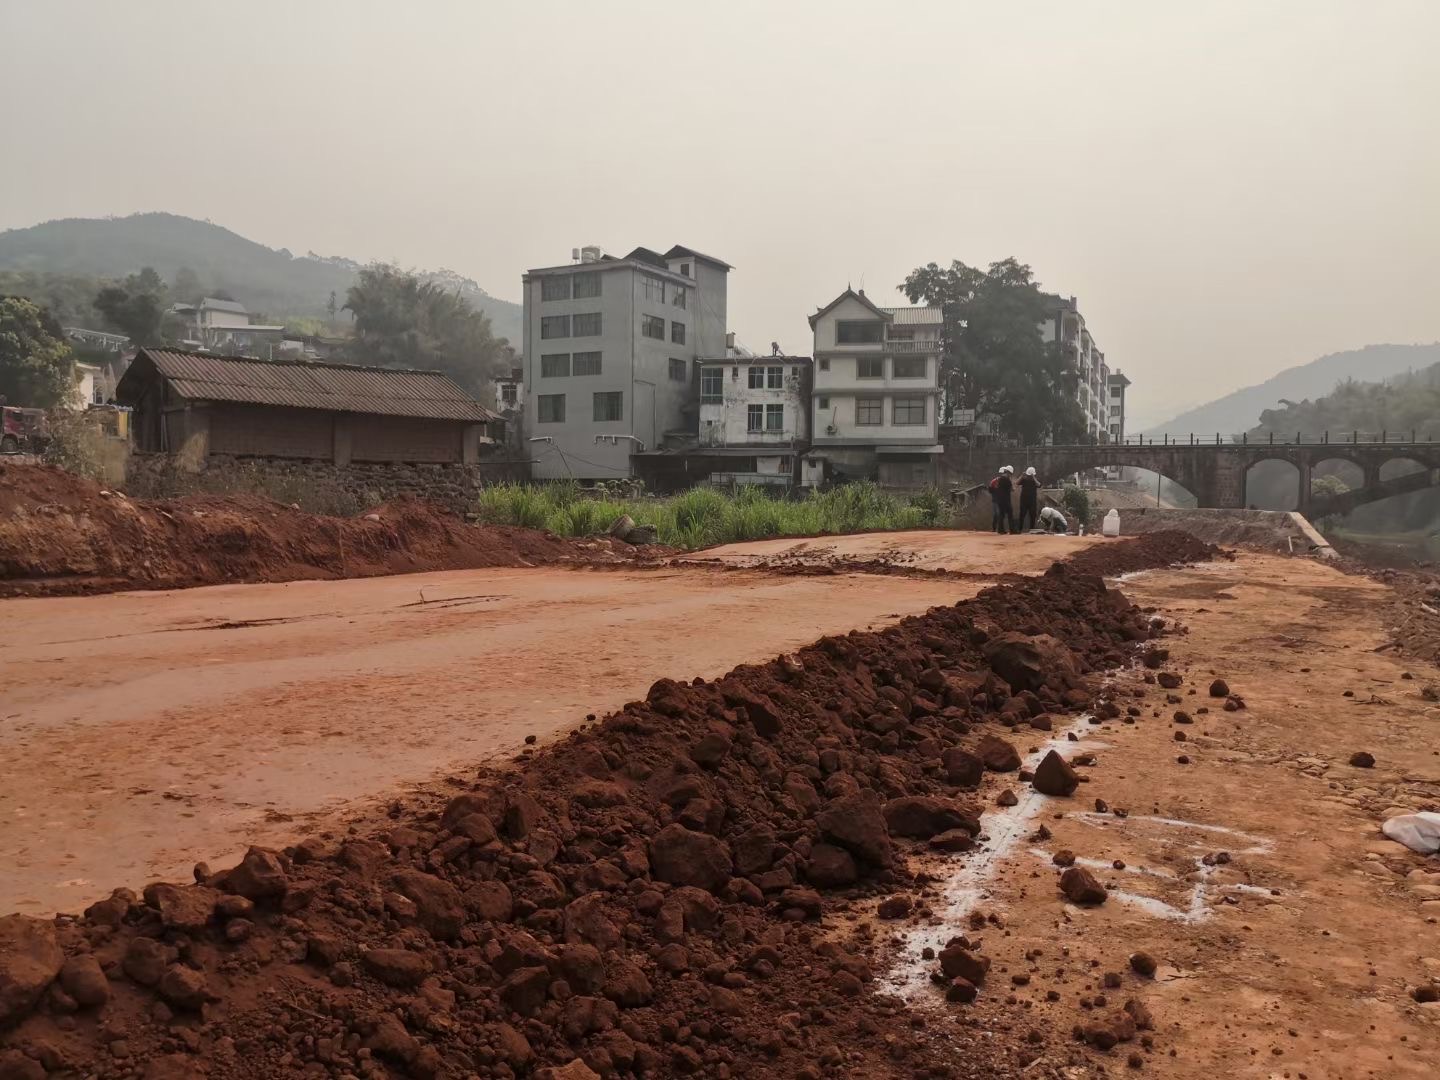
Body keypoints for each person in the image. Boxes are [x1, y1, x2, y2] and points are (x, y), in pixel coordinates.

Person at [990, 465, 1016, 534]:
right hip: (1006, 500)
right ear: (1009, 472)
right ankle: (1012, 530)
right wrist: (1013, 487)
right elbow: (1012, 489)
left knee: (1001, 514)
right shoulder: (1007, 480)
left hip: (999, 500)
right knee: (1010, 514)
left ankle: (1000, 530)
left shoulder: (1000, 479)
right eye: (1010, 474)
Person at [1017, 466, 1041, 531]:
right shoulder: (1024, 480)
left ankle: (1032, 530)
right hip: (1024, 501)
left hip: (1032, 501)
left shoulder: (1035, 481)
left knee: (1033, 516)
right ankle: (1019, 529)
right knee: (1022, 515)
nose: (1029, 476)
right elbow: (1017, 483)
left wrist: (1033, 477)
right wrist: (1021, 476)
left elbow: (1039, 485)